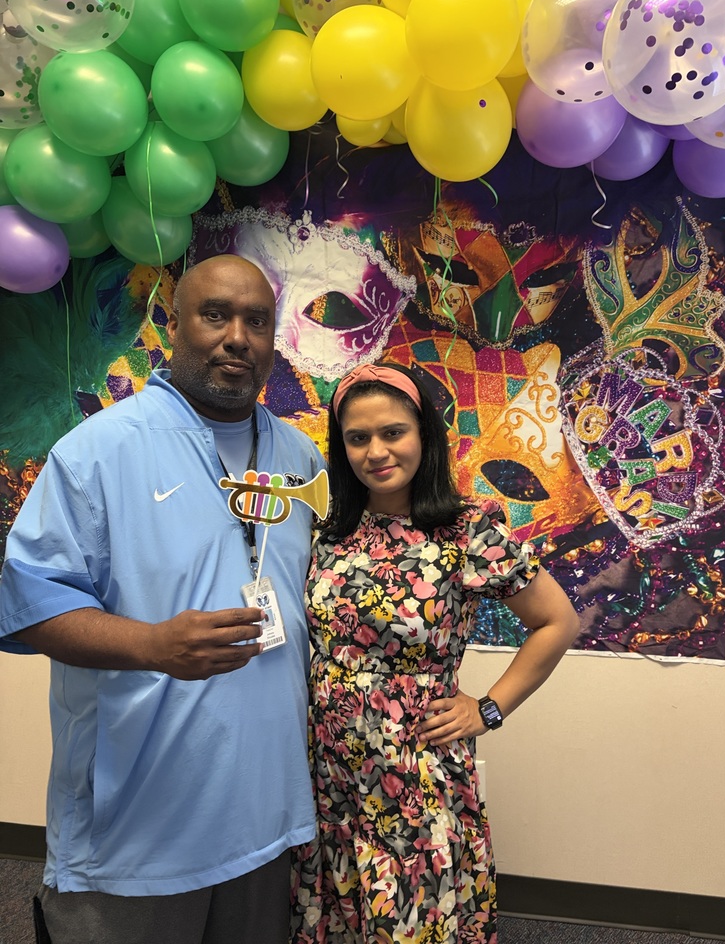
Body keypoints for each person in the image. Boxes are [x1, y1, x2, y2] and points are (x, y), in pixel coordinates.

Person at [0, 254, 326, 944]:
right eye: (215, 315)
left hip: (265, 818)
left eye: (257, 321)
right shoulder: (98, 453)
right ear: (173, 326)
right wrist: (152, 646)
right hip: (135, 836)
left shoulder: (302, 460)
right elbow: (28, 602)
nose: (238, 336)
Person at [291, 362, 580, 944]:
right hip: (327, 769)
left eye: (393, 432)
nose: (376, 450)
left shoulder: (467, 529)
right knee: (337, 914)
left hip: (414, 772)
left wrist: (489, 708)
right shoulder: (328, 529)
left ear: (425, 433)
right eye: (357, 437)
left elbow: (558, 621)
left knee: (412, 918)